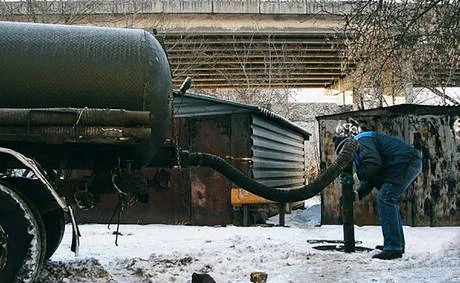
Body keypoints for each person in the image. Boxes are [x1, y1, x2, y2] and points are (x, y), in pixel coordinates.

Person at [337, 130, 423, 260]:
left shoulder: (361, 141)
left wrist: (355, 177)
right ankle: (396, 244)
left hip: (405, 162)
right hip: (402, 164)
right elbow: (371, 175)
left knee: (385, 198)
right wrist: (358, 194)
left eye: (343, 153)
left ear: (346, 146)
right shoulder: (360, 149)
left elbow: (373, 164)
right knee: (387, 199)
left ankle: (393, 247)